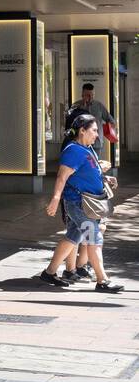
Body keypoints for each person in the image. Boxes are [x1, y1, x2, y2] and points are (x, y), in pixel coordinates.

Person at [40, 115, 124, 293]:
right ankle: (103, 280)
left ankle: (49, 272)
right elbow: (62, 176)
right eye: (94, 130)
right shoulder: (73, 150)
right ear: (82, 131)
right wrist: (55, 199)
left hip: (85, 203)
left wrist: (104, 178)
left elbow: (87, 172)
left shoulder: (85, 148)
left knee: (73, 237)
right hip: (79, 204)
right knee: (94, 237)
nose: (97, 135)